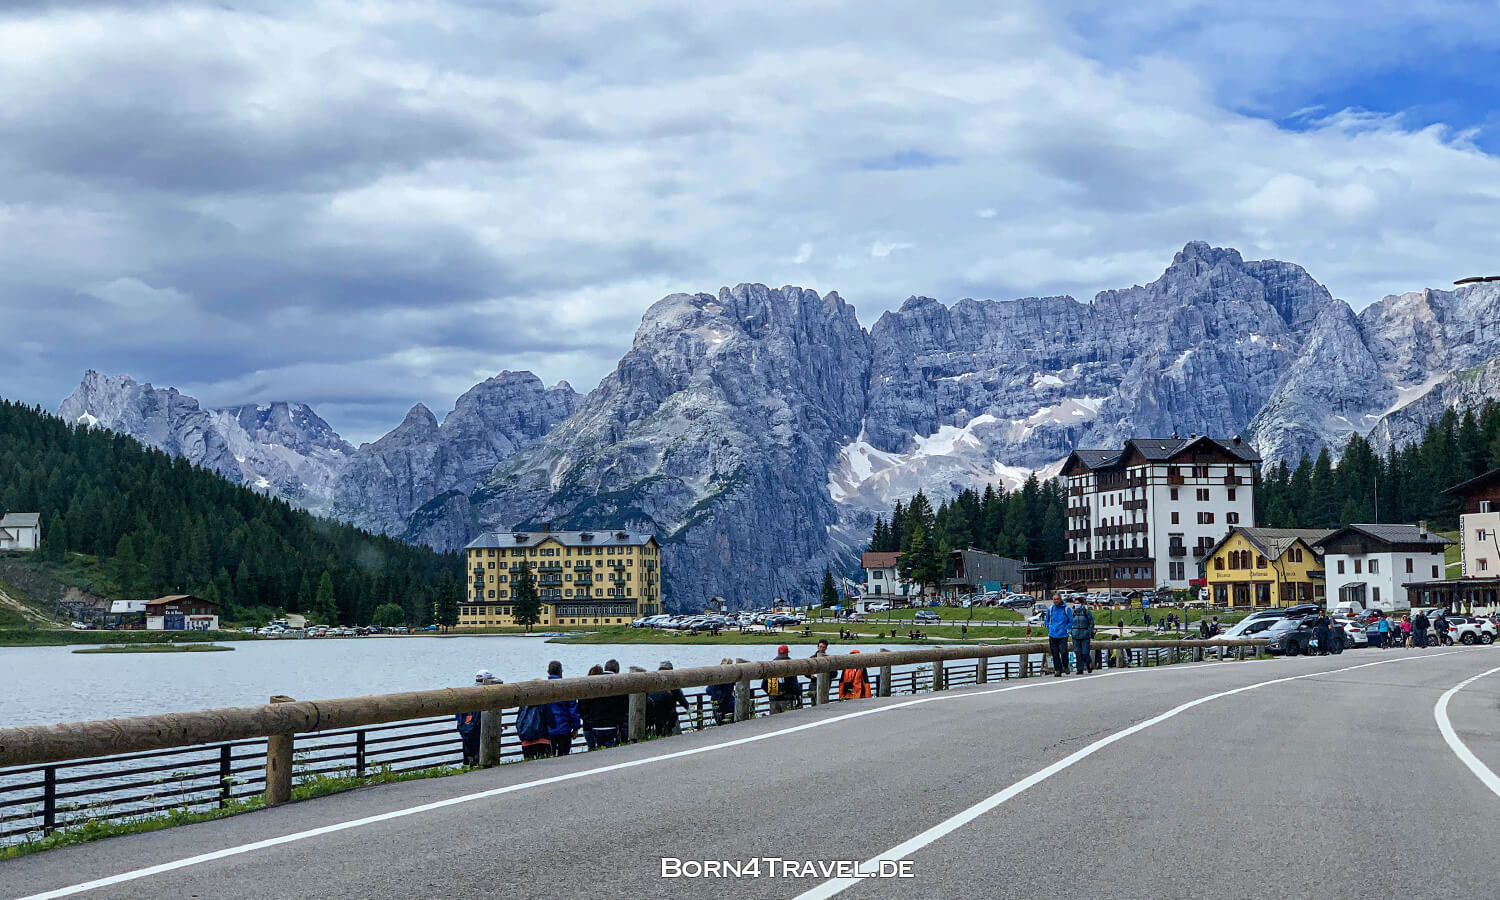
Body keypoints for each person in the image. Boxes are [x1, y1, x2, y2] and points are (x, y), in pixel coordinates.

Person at [455, 669, 498, 766]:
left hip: (465, 730)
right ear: (486, 680)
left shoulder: (466, 693)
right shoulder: (485, 694)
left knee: (468, 758)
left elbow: (458, 715)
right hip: (478, 730)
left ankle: (469, 767)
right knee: (480, 755)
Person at [578, 665, 625, 749]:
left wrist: (587, 718)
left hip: (593, 725)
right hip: (610, 724)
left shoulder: (587, 690)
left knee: (594, 748)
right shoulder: (612, 689)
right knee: (609, 748)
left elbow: (581, 709)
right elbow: (620, 709)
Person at [544, 660, 580, 756]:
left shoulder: (543, 688)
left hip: (549, 728)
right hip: (564, 728)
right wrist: (575, 727)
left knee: (550, 756)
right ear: (561, 672)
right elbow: (573, 709)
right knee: (564, 755)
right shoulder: (566, 687)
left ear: (548, 671)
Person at [646, 661, 690, 737]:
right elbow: (681, 699)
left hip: (653, 717)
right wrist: (691, 709)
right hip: (669, 716)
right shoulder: (673, 685)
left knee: (657, 734)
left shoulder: (653, 682)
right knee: (675, 735)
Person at [763, 645, 802, 713]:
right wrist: (799, 698)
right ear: (787, 653)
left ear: (778, 653)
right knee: (787, 721)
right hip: (787, 698)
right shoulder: (791, 664)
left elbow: (763, 685)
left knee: (774, 721)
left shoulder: (771, 665)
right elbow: (795, 684)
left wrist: (771, 694)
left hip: (773, 700)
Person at [1043, 594, 1074, 677]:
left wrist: (1066, 628)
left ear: (1060, 599)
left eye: (1057, 599)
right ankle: (1057, 670)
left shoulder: (1066, 609)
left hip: (1063, 634)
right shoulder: (1051, 609)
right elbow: (1046, 619)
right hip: (1053, 633)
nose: (1056, 601)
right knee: (1055, 653)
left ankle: (1065, 666)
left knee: (1063, 651)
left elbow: (1071, 621)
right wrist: (1048, 626)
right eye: (1054, 599)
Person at [706, 657, 737, 724]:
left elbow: (708, 691)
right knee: (729, 722)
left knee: (721, 723)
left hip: (720, 705)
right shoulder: (731, 678)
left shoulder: (716, 678)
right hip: (727, 703)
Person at [1070, 600, 1095, 674]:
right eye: (1075, 603)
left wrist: (1088, 631)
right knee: (1077, 652)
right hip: (1075, 634)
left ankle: (1088, 663)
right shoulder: (1073, 613)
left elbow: (1091, 622)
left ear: (1082, 604)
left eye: (1078, 603)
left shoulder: (1086, 612)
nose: (1076, 605)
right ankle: (1079, 668)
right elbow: (1070, 622)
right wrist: (1071, 631)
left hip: (1084, 634)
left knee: (1085, 652)